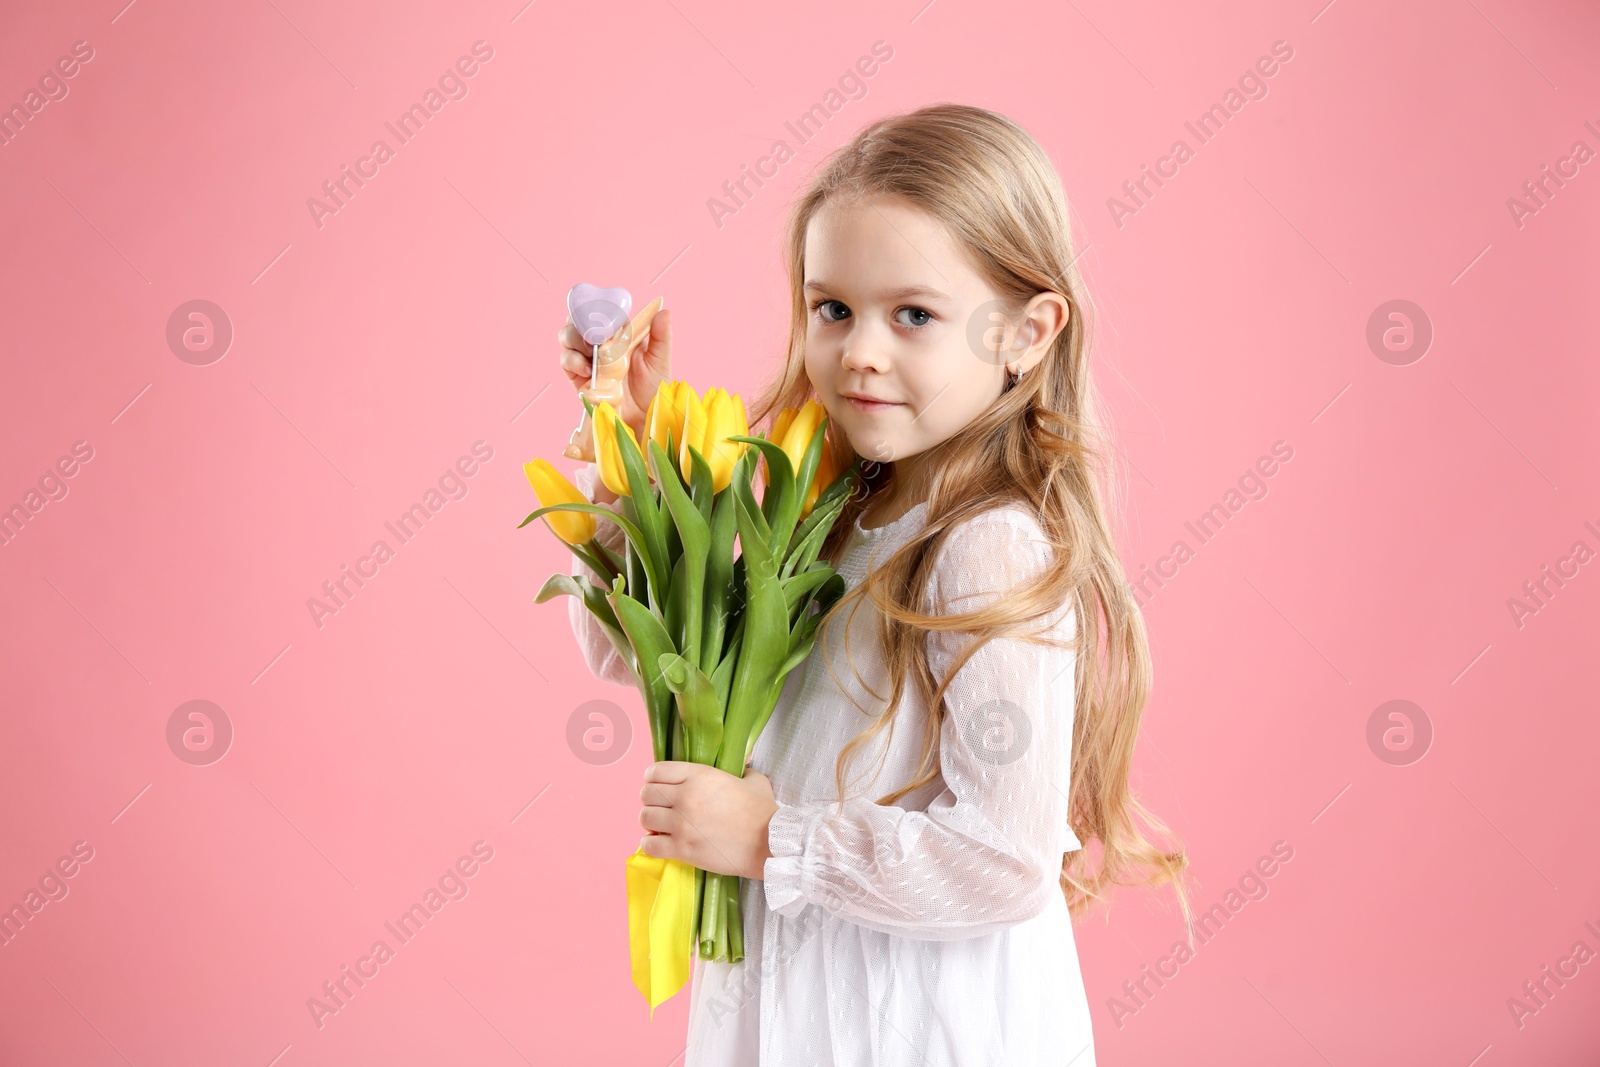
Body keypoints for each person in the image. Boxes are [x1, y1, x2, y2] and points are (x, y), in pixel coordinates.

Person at [557, 103, 1192, 1066]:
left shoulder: (986, 546)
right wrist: (630, 462)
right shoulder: (825, 506)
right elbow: (632, 649)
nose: (859, 350)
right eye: (833, 308)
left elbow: (1004, 861)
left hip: (917, 1025)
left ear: (1026, 331)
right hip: (803, 1002)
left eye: (915, 315)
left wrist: (775, 841)